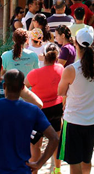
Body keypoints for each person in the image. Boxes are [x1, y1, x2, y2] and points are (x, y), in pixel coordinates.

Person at [0, 70, 59, 174]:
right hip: (22, 170)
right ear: (23, 87)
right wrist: (39, 164)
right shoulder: (32, 110)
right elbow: (54, 138)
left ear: (4, 86)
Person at [57, 27, 94, 174]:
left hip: (73, 121)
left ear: (76, 45)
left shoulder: (71, 70)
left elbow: (60, 92)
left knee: (74, 163)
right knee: (87, 160)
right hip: (92, 121)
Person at [25, 43, 65, 173]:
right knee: (56, 139)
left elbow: (24, 85)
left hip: (39, 111)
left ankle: (34, 170)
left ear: (43, 55)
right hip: (57, 108)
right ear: (56, 56)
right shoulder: (61, 68)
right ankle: (57, 169)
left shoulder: (34, 73)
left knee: (36, 143)